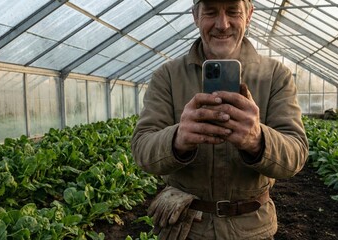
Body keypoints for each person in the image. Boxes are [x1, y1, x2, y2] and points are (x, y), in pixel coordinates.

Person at [131, 0, 309, 239]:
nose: (222, 24)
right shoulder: (168, 76)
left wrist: (258, 140)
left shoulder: (276, 76)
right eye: (211, 12)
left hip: (252, 229)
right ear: (195, 15)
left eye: (233, 12)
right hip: (185, 229)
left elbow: (295, 155)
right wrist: (177, 140)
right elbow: (142, 149)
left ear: (249, 15)